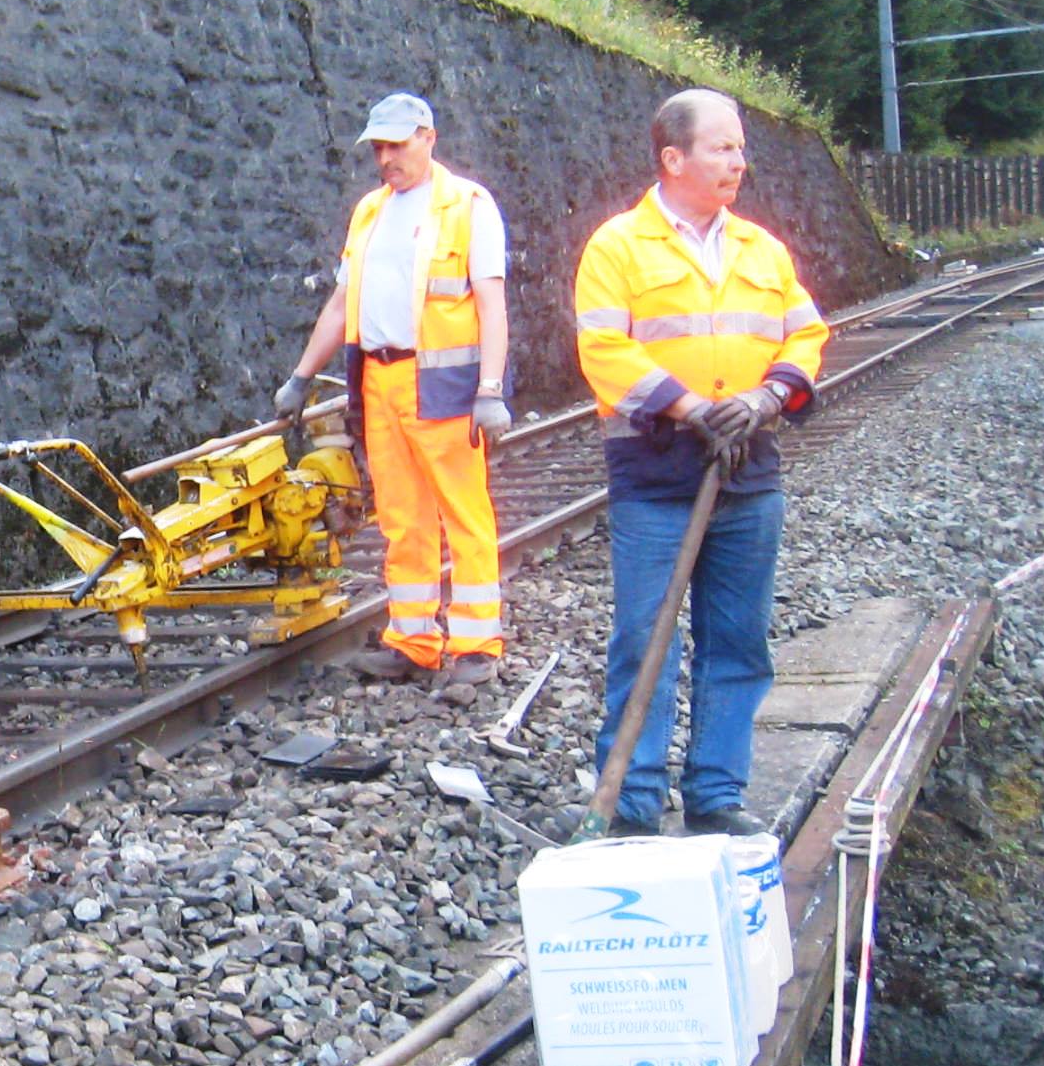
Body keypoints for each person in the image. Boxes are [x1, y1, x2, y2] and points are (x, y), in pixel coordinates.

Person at [572, 88, 830, 837]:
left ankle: (717, 795)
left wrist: (766, 399)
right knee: (644, 639)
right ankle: (634, 799)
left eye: (741, 148)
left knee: (737, 640)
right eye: (723, 147)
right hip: (656, 476)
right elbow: (604, 349)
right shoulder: (617, 246)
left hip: (748, 473)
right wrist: (690, 407)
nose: (738, 162)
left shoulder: (762, 249)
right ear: (673, 158)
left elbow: (804, 334)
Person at [271, 94, 512, 687]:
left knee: (462, 508)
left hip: (444, 384)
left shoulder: (468, 207)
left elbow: (491, 302)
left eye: (397, 145)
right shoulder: (370, 213)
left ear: (428, 137)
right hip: (377, 382)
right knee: (402, 515)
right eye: (378, 147)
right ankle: (413, 640)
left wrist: (490, 387)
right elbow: (341, 303)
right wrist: (301, 376)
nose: (386, 158)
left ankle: (477, 644)